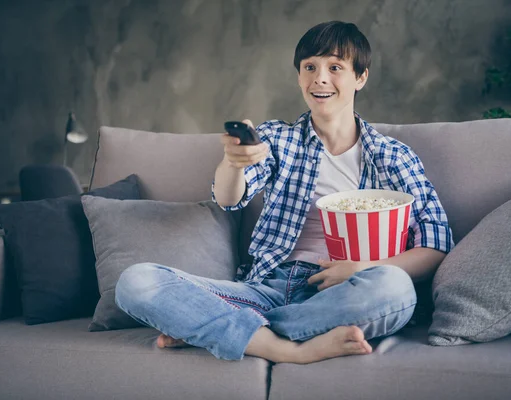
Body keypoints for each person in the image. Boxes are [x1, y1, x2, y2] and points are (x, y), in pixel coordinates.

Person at [115, 21, 454, 364]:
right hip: (266, 289)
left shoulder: (394, 156)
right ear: (299, 76)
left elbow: (436, 244)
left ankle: (215, 327)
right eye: (310, 67)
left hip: (344, 292)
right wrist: (233, 162)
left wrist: (362, 268)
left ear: (361, 77)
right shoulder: (277, 140)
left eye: (335, 67)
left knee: (394, 291)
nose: (319, 78)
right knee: (136, 281)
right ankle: (288, 348)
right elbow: (230, 198)